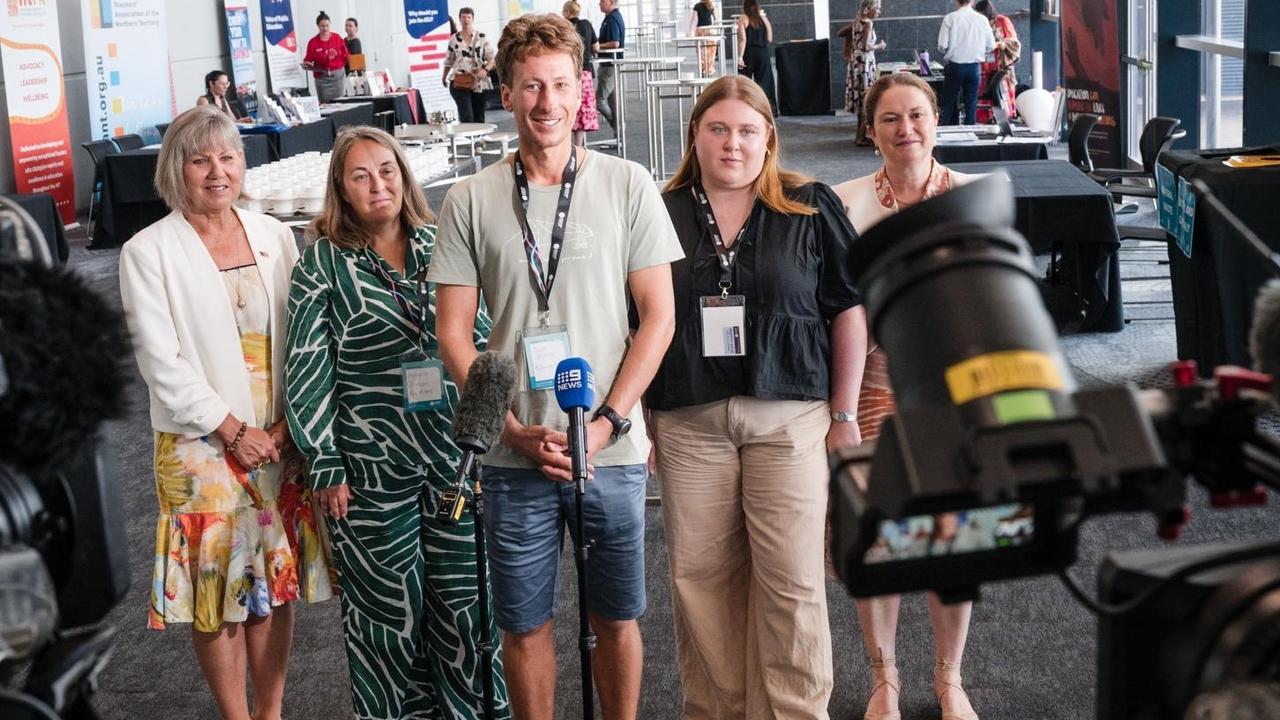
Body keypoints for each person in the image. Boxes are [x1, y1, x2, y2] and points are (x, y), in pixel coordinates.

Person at [428, 14, 682, 720]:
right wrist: (506, 430)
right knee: (524, 623)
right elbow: (454, 336)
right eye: (531, 86)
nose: (547, 102)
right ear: (505, 91)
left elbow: (657, 317)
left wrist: (608, 422)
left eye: (560, 85)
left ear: (582, 91)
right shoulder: (469, 199)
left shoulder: (628, 183)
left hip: (610, 449)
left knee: (617, 617)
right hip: (517, 456)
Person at [653, 75, 866, 719]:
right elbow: (633, 320)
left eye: (748, 130)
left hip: (791, 417)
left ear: (769, 136)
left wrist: (845, 412)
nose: (732, 143)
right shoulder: (658, 211)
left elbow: (850, 310)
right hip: (688, 419)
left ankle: (796, 712)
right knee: (701, 582)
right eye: (718, 128)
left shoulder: (807, 203)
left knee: (793, 583)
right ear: (696, 133)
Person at [284, 126, 511, 720]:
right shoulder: (322, 265)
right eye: (360, 175)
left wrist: (497, 427)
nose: (377, 185)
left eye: (386, 170)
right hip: (367, 472)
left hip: (452, 459)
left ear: (404, 176)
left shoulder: (443, 243)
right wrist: (325, 460)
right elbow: (307, 370)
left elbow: (479, 336)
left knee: (465, 608)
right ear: (341, 188)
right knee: (388, 616)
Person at [118, 105, 333, 720]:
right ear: (175, 170)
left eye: (229, 156)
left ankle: (270, 710)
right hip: (201, 445)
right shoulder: (147, 251)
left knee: (272, 578)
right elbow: (161, 362)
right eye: (200, 159)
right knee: (216, 588)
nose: (218, 171)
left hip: (279, 434)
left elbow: (306, 337)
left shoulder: (274, 235)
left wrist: (291, 422)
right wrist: (232, 430)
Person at [833, 72, 983, 720]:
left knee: (954, 535)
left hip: (955, 391)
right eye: (890, 118)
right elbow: (835, 308)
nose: (906, 129)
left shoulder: (975, 196)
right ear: (872, 130)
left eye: (917, 115)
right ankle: (883, 679)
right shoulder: (842, 203)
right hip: (874, 385)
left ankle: (950, 679)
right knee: (883, 535)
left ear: (936, 121)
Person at [936, 0, 995, 125]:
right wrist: (977, 51)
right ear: (972, 1)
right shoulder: (982, 19)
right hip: (974, 68)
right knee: (971, 105)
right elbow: (991, 45)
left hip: (955, 67)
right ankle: (970, 137)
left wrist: (952, 49)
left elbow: (942, 45)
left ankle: (944, 136)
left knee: (948, 104)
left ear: (956, 1)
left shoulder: (950, 18)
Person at [838, 0, 887, 145]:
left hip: (856, 64)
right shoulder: (868, 24)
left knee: (861, 101)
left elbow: (840, 33)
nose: (879, 12)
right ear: (868, 9)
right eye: (877, 9)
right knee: (868, 99)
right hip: (864, 65)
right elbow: (866, 47)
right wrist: (880, 45)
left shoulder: (857, 21)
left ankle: (860, 135)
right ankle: (860, 137)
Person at [443, 7, 497, 123]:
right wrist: (444, 77)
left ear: (473, 19)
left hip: (479, 83)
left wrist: (486, 70)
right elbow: (449, 60)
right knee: (466, 116)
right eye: (463, 17)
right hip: (459, 81)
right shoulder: (454, 39)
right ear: (459, 19)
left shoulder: (482, 38)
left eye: (468, 17)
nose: (466, 20)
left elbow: (492, 59)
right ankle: (468, 140)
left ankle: (479, 140)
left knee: (479, 116)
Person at [974, 0, 1020, 122]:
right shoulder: (980, 24)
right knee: (985, 92)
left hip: (1001, 64)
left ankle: (1003, 120)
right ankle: (986, 120)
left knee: (1000, 93)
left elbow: (1014, 42)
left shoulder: (1002, 21)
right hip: (985, 65)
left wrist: (1001, 44)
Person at [563, 0, 599, 146]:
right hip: (586, 72)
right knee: (582, 108)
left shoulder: (565, 28)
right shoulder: (587, 24)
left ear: (567, 12)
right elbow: (596, 47)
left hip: (570, 71)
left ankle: (568, 144)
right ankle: (579, 145)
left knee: (567, 106)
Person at [736, 0, 777, 116]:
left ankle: (745, 108)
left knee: (745, 81)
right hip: (763, 52)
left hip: (749, 52)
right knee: (765, 80)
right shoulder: (763, 19)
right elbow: (769, 38)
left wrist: (740, 57)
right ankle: (767, 109)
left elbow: (743, 40)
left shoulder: (743, 18)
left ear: (745, 7)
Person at [303, 11, 349, 103]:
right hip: (322, 79)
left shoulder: (337, 38)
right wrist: (307, 64)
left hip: (337, 77)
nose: (325, 28)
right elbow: (308, 60)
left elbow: (346, 55)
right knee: (325, 104)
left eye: (327, 25)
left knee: (340, 103)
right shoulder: (313, 42)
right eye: (322, 26)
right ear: (318, 26)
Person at [594, 0, 625, 136]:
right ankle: (618, 134)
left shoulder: (612, 19)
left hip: (610, 65)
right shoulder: (610, 18)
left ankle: (619, 128)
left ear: (611, 2)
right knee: (612, 102)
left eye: (602, 1)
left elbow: (615, 43)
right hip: (609, 64)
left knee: (599, 100)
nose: (599, 3)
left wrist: (597, 46)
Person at [688, 0, 718, 77]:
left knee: (700, 50)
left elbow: (693, 19)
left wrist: (689, 30)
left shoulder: (697, 6)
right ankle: (709, 69)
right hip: (710, 30)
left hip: (700, 30)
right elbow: (716, 19)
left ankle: (703, 68)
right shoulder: (711, 5)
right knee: (711, 51)